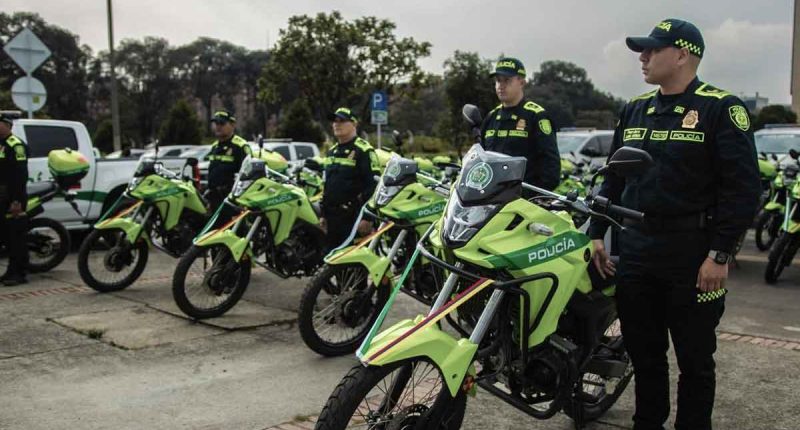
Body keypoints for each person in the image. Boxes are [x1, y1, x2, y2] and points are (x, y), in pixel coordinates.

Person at [588, 19, 761, 430]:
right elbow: (613, 178)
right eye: (642, 51)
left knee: (695, 361)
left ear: (682, 54)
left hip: (693, 256)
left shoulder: (720, 108)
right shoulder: (633, 109)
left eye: (652, 50)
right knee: (645, 357)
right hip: (637, 252)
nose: (643, 58)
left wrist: (719, 254)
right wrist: (596, 233)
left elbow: (743, 191)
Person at [480, 57, 561, 190]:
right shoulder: (491, 117)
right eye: (498, 80)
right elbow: (481, 158)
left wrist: (537, 195)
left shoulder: (536, 116)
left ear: (522, 82)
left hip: (523, 198)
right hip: (490, 196)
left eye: (507, 80)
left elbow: (550, 165)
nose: (501, 85)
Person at [320, 107, 378, 251]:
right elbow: (326, 186)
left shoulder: (363, 150)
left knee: (353, 265)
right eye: (334, 120)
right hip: (333, 218)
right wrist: (323, 215)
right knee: (332, 261)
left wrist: (368, 218)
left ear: (354, 124)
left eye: (342, 120)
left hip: (354, 217)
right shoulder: (332, 152)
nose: (336, 124)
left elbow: (373, 187)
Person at [0, 111, 29, 286]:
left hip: (14, 198)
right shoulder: (1, 144)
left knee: (17, 237)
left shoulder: (15, 145)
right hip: (2, 198)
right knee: (7, 237)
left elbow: (20, 175)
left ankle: (20, 273)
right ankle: (11, 271)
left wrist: (17, 201)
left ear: (7, 125)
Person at [206, 110, 252, 210]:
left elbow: (248, 175)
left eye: (222, 123)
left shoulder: (240, 146)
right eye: (216, 123)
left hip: (232, 200)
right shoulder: (215, 146)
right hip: (214, 198)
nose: (218, 127)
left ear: (232, 125)